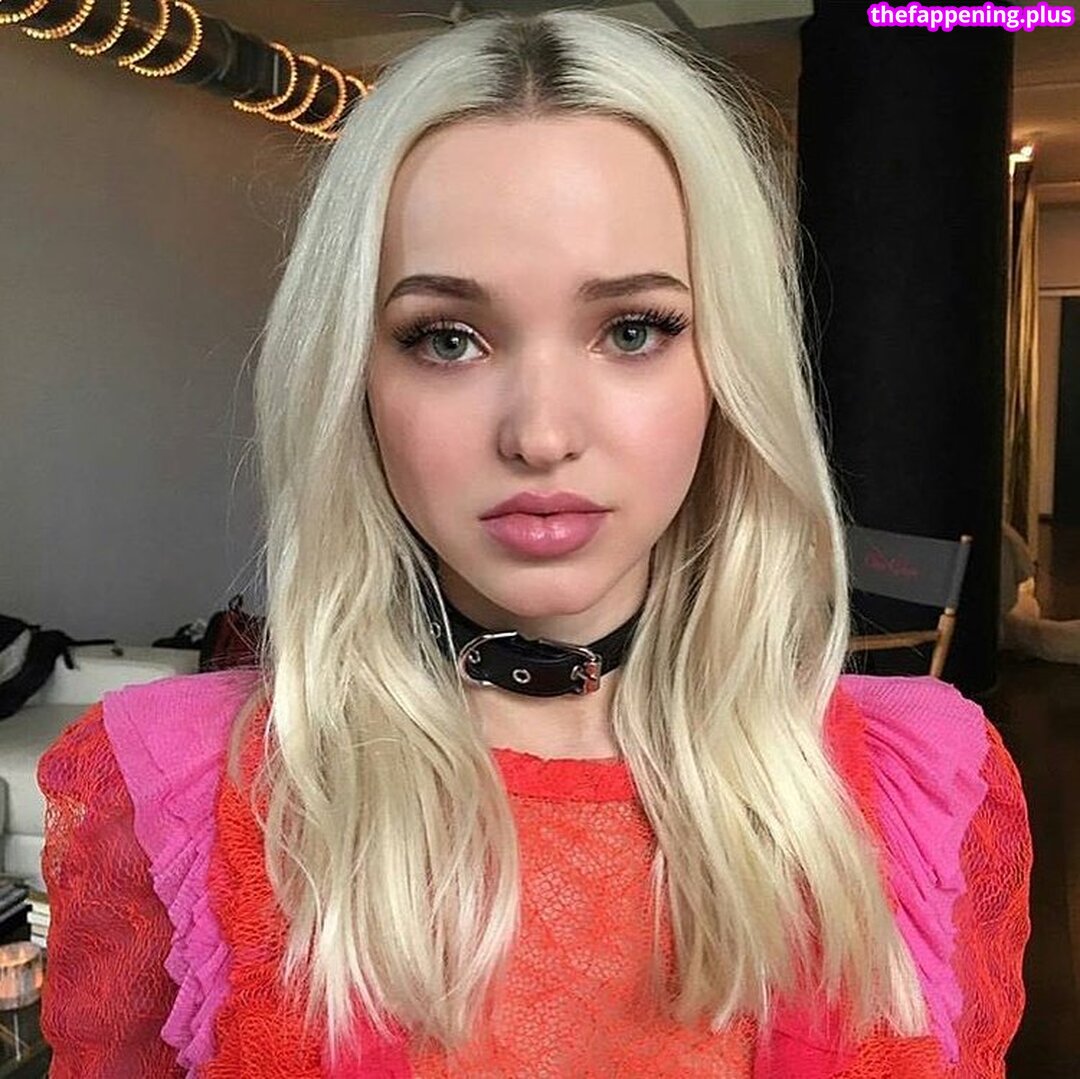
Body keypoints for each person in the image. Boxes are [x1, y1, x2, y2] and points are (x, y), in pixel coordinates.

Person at [36, 9, 1032, 1077]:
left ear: (728, 367)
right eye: (447, 338)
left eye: (633, 329)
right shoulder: (165, 792)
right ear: (353, 380)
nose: (542, 433)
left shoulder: (933, 787)